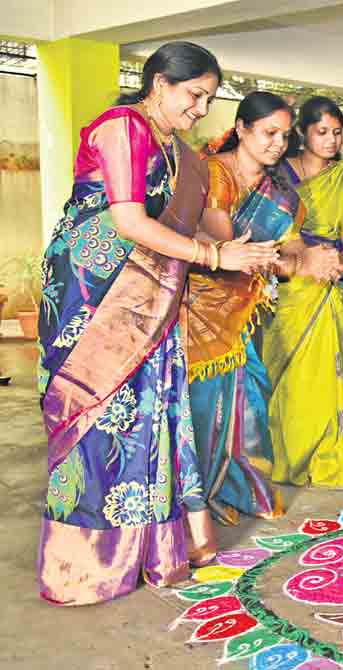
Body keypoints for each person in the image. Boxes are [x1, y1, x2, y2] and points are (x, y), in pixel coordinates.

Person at [37, 42, 278, 605]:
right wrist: (216, 259)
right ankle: (87, 564)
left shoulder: (184, 153)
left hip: (154, 292)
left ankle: (150, 548)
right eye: (196, 95)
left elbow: (194, 228)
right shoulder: (123, 127)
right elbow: (127, 220)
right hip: (94, 296)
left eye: (209, 99)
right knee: (101, 416)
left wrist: (239, 251)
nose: (201, 108)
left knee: (151, 410)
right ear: (160, 83)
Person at [187, 92, 343, 526]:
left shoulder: (282, 196)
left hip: (241, 318)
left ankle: (230, 488)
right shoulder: (214, 174)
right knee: (200, 409)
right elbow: (227, 249)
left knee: (248, 406)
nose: (278, 143)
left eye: (283, 135)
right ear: (241, 129)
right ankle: (193, 498)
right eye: (268, 132)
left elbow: (293, 259)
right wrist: (297, 261)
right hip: (198, 314)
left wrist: (315, 260)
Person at [263, 96, 343, 489]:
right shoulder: (278, 176)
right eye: (322, 131)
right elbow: (267, 232)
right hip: (289, 284)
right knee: (286, 377)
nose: (331, 140)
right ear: (303, 134)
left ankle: (327, 458)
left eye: (337, 132)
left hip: (330, 285)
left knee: (327, 376)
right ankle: (286, 459)